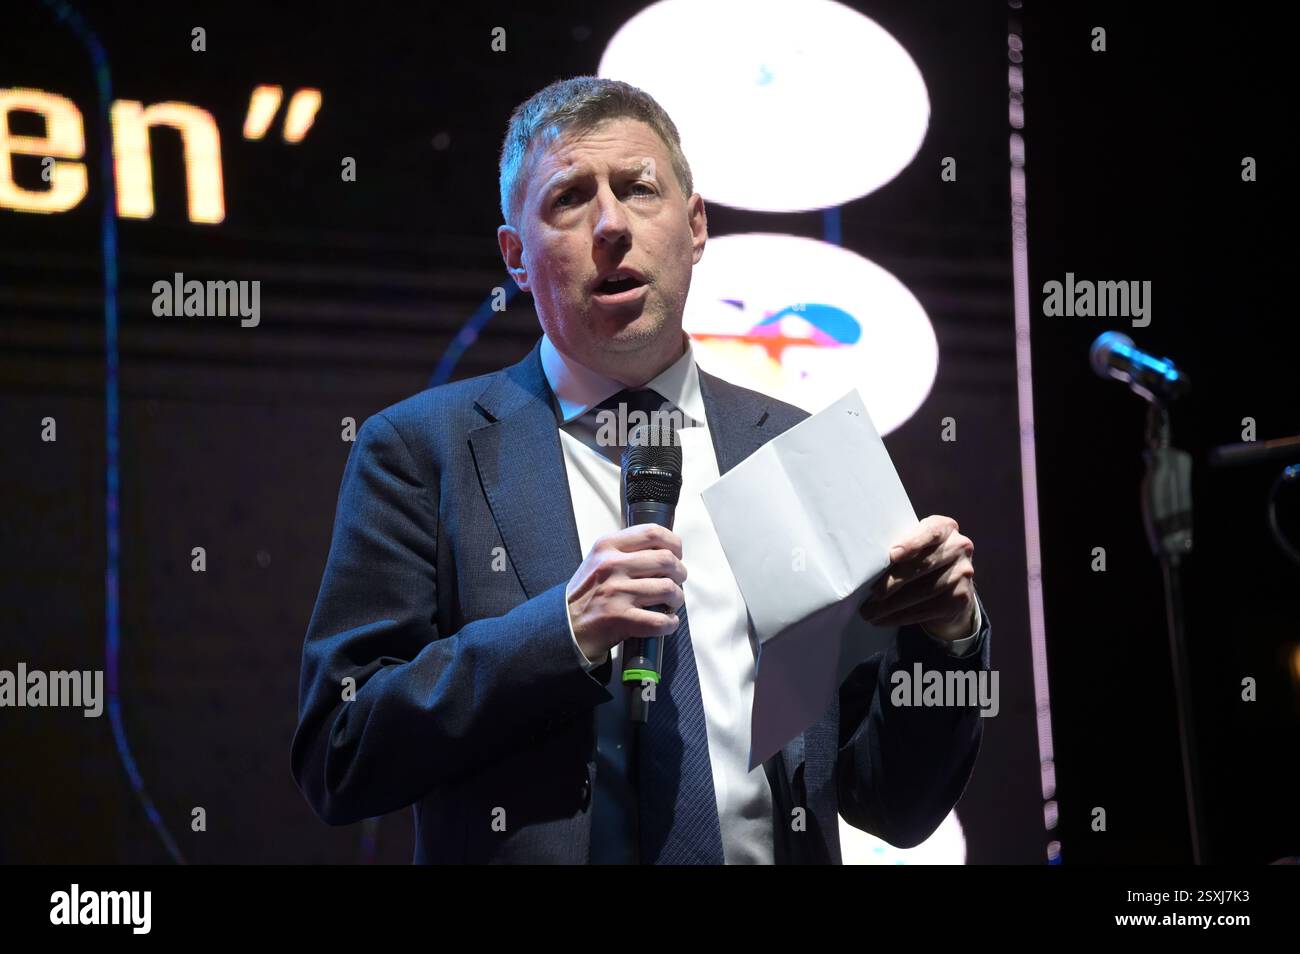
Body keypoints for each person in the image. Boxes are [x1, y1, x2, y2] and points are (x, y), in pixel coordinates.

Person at [290, 76, 990, 864]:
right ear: (516, 257)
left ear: (695, 228)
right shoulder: (425, 451)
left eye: (639, 190)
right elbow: (340, 754)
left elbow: (894, 802)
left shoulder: (805, 449)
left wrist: (948, 637)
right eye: (568, 199)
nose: (611, 225)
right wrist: (560, 634)